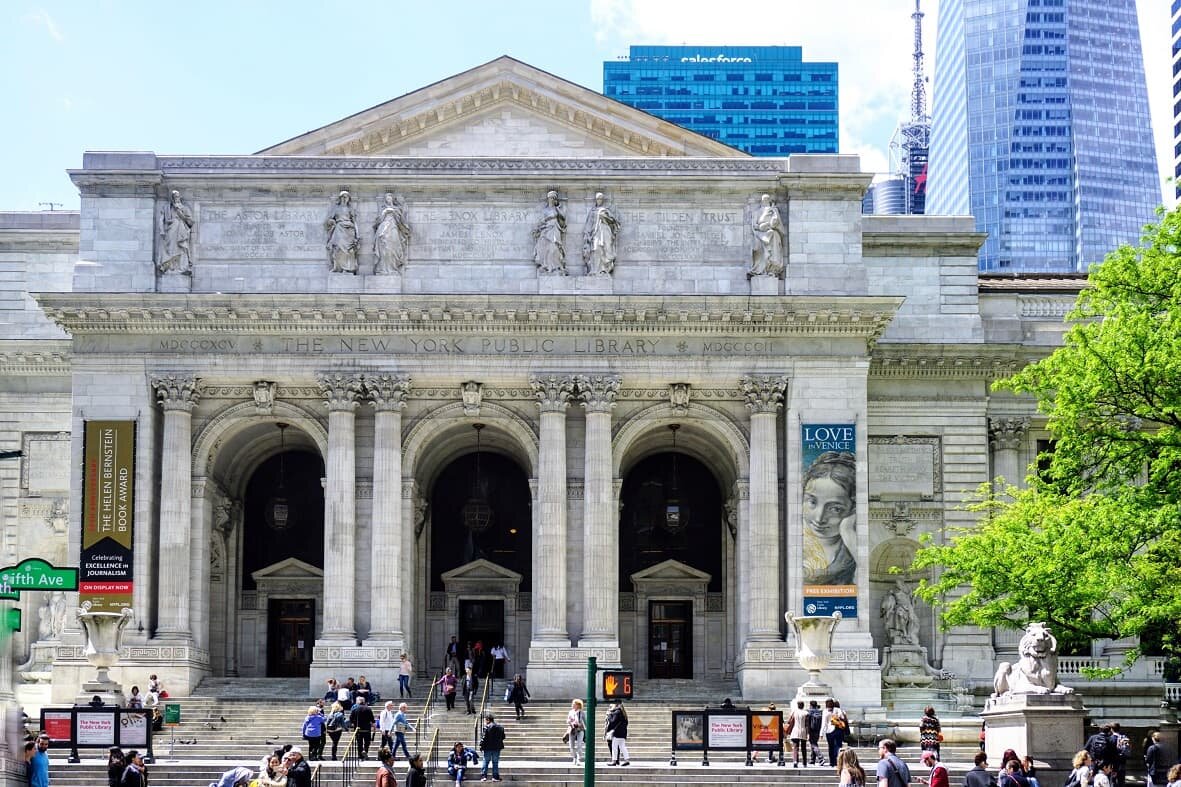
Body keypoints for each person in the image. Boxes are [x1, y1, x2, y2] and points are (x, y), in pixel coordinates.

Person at [801, 451, 857, 585]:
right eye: (812, 502)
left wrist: (849, 533)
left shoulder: (852, 547)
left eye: (835, 509)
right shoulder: (794, 539)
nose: (819, 518)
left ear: (853, 509)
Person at [582, 192, 621, 275]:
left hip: (605, 231)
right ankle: (595, 270)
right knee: (596, 248)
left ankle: (603, 269)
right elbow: (589, 224)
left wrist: (605, 217)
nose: (599, 200)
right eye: (598, 199)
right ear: (596, 200)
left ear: (602, 200)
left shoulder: (605, 210)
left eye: (600, 199)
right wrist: (587, 234)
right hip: (595, 233)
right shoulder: (593, 211)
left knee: (604, 249)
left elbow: (614, 221)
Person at [157, 189, 194, 274]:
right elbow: (161, 219)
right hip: (170, 229)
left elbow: (190, 222)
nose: (176, 198)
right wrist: (162, 230)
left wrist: (180, 212)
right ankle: (169, 266)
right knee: (170, 248)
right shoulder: (167, 208)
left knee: (181, 247)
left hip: (181, 229)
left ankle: (182, 267)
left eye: (178, 197)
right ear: (172, 198)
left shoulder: (184, 208)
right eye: (175, 197)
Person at [373, 193, 411, 275]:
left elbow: (401, 221)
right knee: (384, 247)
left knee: (393, 247)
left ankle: (393, 268)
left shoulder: (397, 209)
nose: (389, 200)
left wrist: (394, 212)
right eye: (387, 198)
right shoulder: (382, 209)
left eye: (390, 198)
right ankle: (383, 269)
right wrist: (384, 212)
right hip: (383, 228)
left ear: (393, 200)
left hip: (393, 227)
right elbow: (378, 222)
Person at [749, 193, 785, 278]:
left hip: (771, 232)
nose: (765, 202)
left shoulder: (773, 211)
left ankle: (771, 269)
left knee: (774, 235)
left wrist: (774, 214)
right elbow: (754, 225)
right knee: (757, 246)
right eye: (764, 200)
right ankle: (760, 269)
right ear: (761, 201)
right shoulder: (756, 212)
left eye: (767, 200)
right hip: (759, 233)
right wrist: (761, 227)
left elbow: (776, 223)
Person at [532, 190, 567, 274]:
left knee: (554, 247)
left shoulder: (557, 209)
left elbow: (563, 219)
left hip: (555, 229)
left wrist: (557, 209)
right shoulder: (545, 210)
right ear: (548, 199)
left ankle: (556, 266)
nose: (552, 199)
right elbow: (541, 221)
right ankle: (546, 266)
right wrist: (549, 218)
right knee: (544, 247)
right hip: (546, 229)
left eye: (553, 198)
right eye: (550, 198)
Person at [325, 190, 359, 273]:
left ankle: (346, 268)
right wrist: (331, 222)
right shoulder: (336, 209)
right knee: (338, 247)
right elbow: (329, 220)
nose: (344, 199)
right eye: (343, 197)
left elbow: (354, 222)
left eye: (346, 197)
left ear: (348, 199)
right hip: (339, 228)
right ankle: (337, 267)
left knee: (348, 249)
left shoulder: (350, 209)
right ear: (340, 198)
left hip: (349, 230)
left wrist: (357, 234)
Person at [479, 712, 505, 781]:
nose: (485, 722)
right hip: (497, 748)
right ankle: (495, 777)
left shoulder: (487, 727)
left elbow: (484, 738)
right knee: (495, 762)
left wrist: (481, 745)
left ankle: (484, 776)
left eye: (486, 720)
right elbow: (503, 737)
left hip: (488, 747)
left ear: (488, 720)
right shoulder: (500, 727)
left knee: (486, 761)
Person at [604, 701, 630, 766]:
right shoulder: (623, 713)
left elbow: (612, 721)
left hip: (617, 733)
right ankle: (627, 760)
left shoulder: (616, 712)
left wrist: (609, 715)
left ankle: (614, 761)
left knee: (614, 747)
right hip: (623, 733)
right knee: (622, 746)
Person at [824, 698, 848, 766]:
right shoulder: (840, 710)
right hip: (839, 729)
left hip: (830, 731)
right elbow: (843, 718)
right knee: (838, 746)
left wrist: (822, 732)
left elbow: (824, 723)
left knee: (831, 747)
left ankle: (832, 761)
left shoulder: (827, 711)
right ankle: (838, 760)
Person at [566, 698, 586, 765]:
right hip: (572, 730)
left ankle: (578, 759)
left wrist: (581, 725)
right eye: (572, 704)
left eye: (574, 704)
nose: (572, 705)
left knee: (579, 745)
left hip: (580, 730)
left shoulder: (582, 712)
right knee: (571, 746)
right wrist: (570, 722)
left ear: (578, 705)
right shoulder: (570, 712)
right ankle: (574, 757)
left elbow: (585, 722)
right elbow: (568, 720)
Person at [789, 699, 809, 767]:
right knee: (803, 747)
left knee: (795, 747)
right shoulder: (806, 713)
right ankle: (804, 763)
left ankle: (795, 761)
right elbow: (807, 724)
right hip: (803, 731)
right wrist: (808, 733)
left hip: (795, 730)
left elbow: (789, 721)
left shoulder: (794, 712)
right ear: (803, 705)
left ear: (797, 705)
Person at [1110, 723, 1130, 787]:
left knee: (1112, 781)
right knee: (1121, 781)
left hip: (1113, 764)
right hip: (1122, 763)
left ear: (1111, 729)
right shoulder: (1124, 738)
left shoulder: (1110, 738)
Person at [806, 700, 825, 766]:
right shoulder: (820, 712)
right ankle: (812, 760)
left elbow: (808, 723)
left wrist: (807, 732)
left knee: (813, 744)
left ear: (810, 705)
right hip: (818, 730)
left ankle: (821, 758)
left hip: (811, 730)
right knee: (814, 743)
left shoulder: (809, 712)